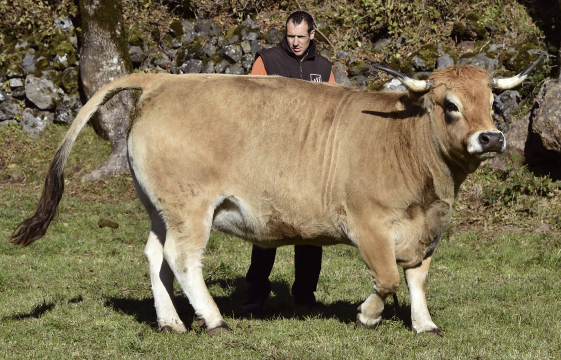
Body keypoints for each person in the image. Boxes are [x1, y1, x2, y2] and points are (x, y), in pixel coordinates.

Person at [243, 11, 336, 315]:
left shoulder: (323, 67)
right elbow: (249, 105)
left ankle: (305, 296)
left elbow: (334, 110)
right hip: (272, 159)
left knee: (312, 230)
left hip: (311, 162)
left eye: (300, 36)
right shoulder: (267, 60)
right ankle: (255, 294)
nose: (295, 42)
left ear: (312, 34)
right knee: (267, 227)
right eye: (290, 35)